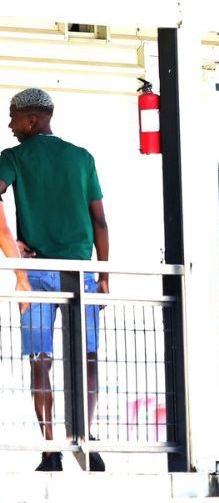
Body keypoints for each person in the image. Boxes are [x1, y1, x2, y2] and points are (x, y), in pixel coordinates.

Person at [0, 88, 109, 472]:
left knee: (40, 359)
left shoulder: (12, 158)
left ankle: (50, 449)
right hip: (80, 272)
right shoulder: (82, 158)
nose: (10, 125)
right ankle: (86, 437)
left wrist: (14, 254)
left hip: (37, 272)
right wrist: (105, 275)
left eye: (14, 117)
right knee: (88, 356)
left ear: (33, 119)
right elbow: (100, 222)